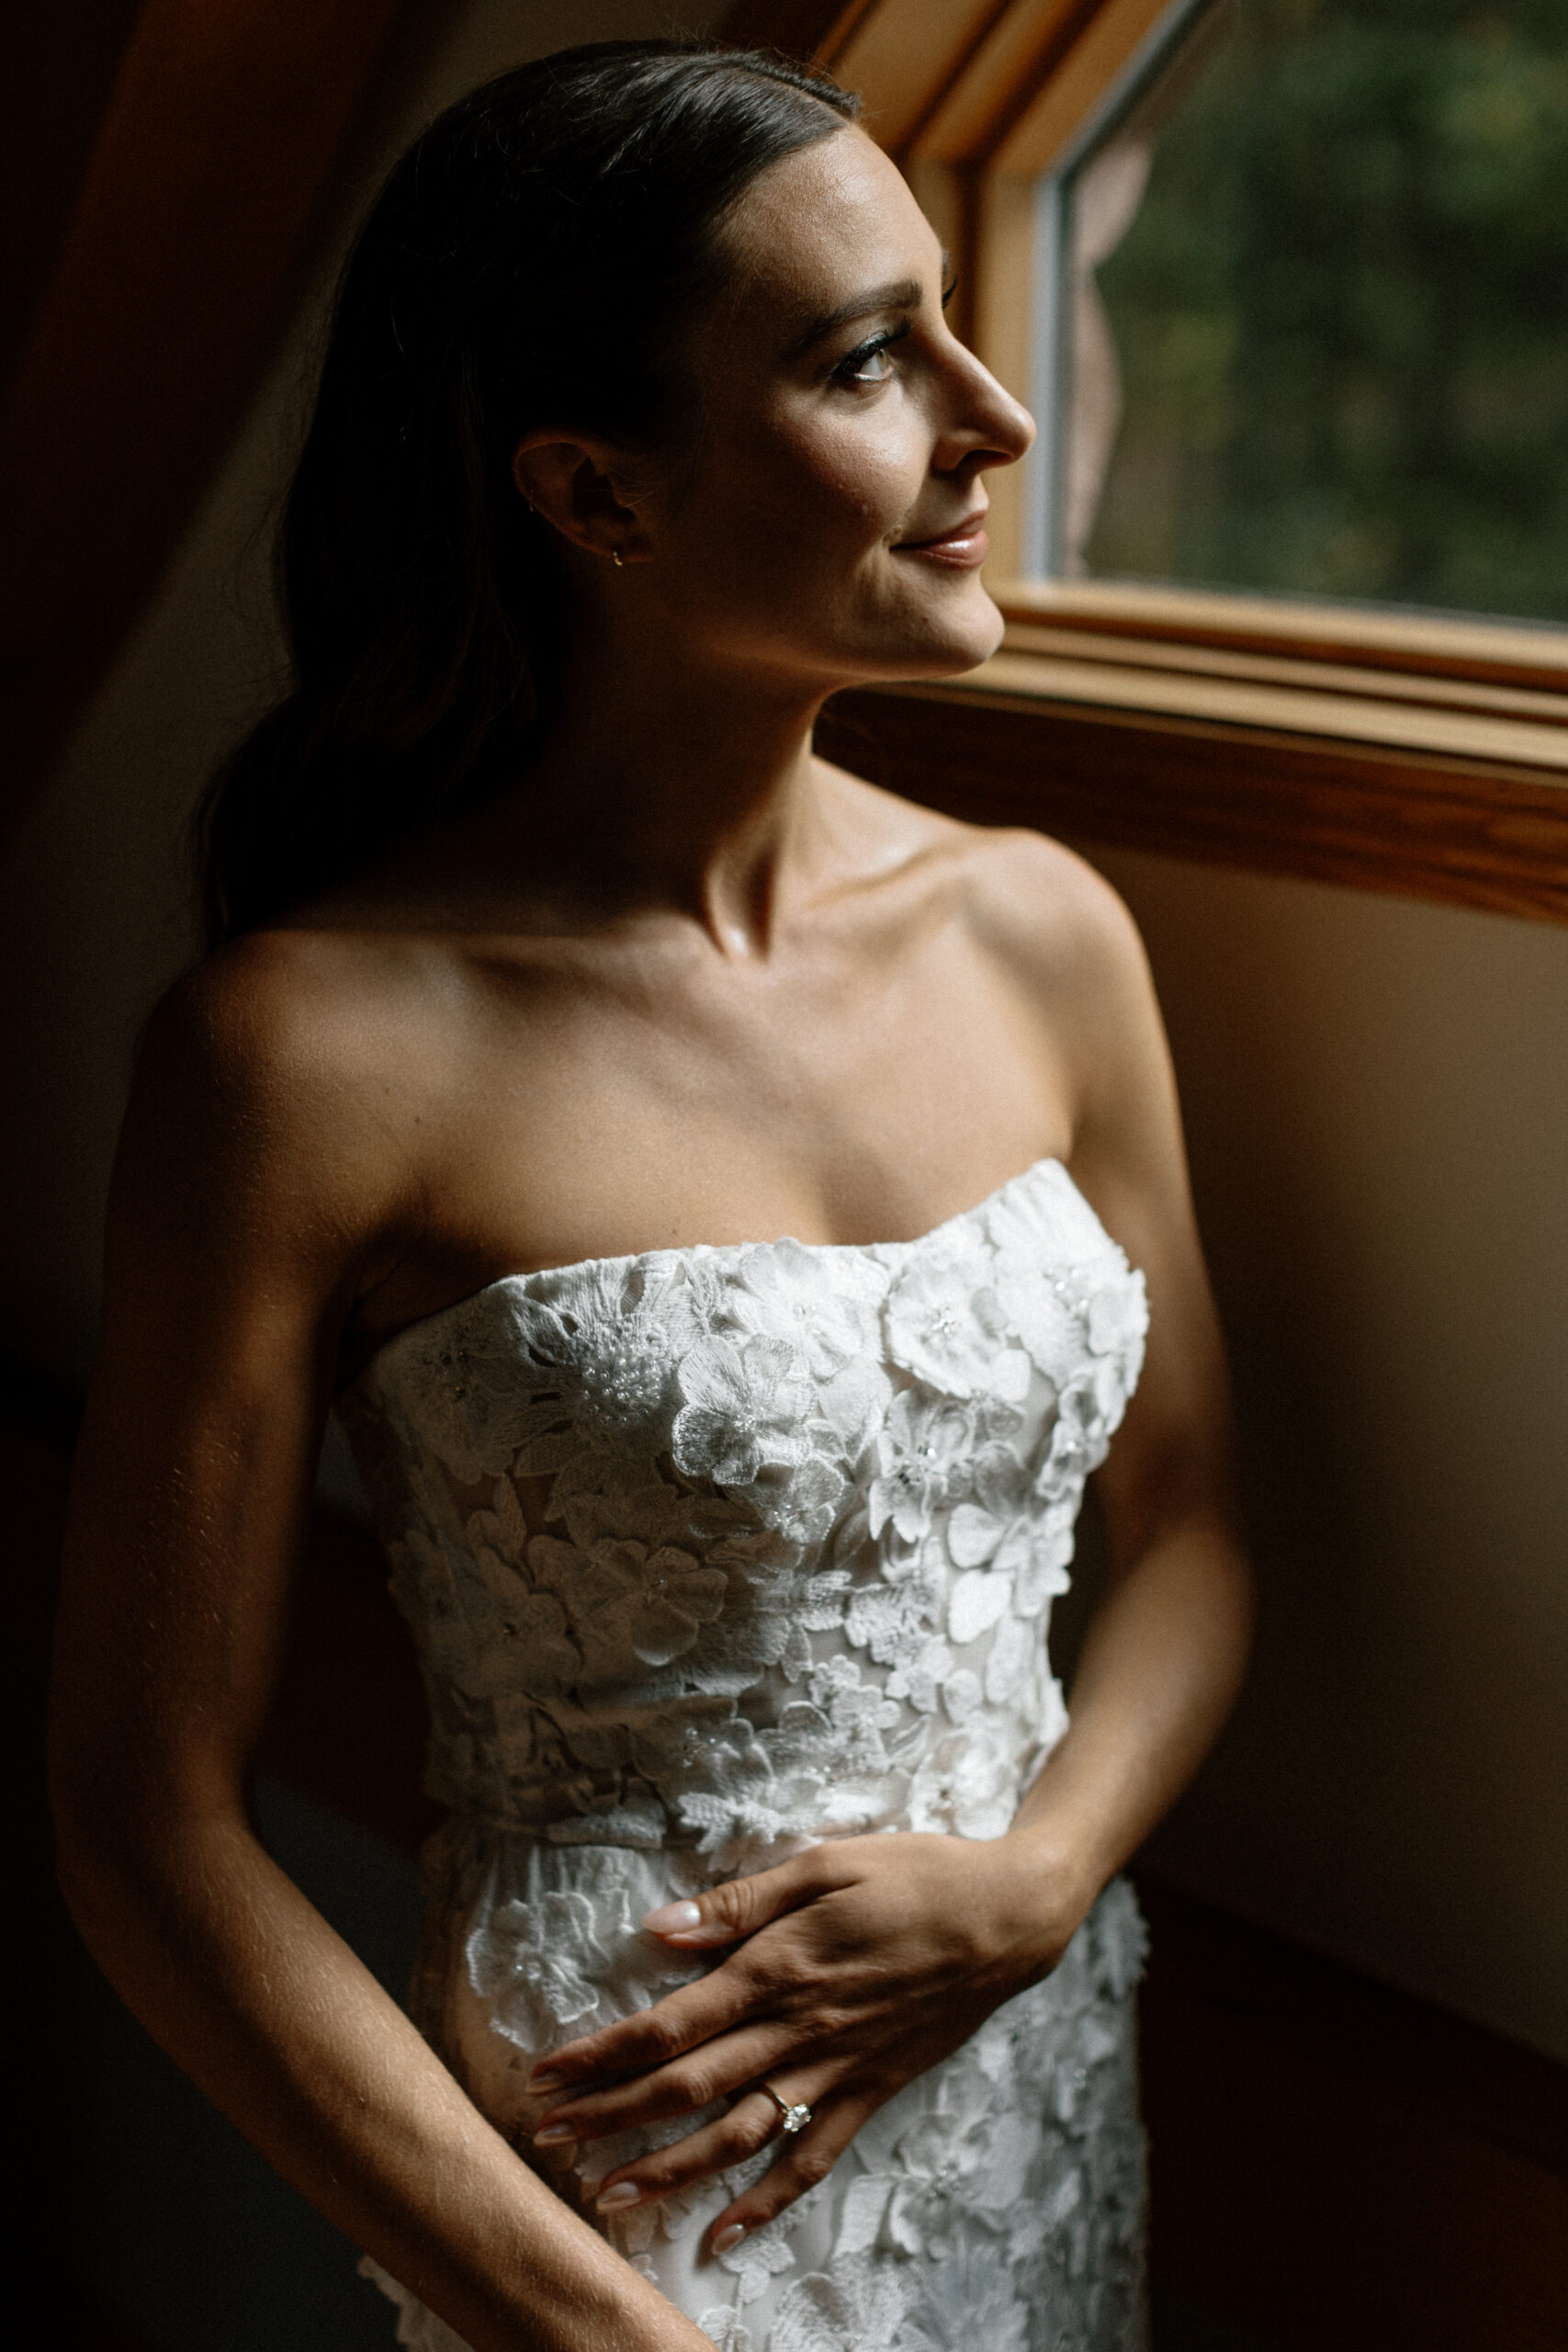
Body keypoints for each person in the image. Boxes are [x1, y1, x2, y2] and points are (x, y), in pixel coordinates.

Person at [50, 40, 1252, 2352]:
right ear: (593, 493)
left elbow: (1192, 1520)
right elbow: (143, 1823)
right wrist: (596, 2333)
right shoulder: (295, 1055)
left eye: (951, 318)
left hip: (1028, 2077)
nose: (992, 423)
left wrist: (1036, 1871)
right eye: (869, 356)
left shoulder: (1041, 931)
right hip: (620, 2198)